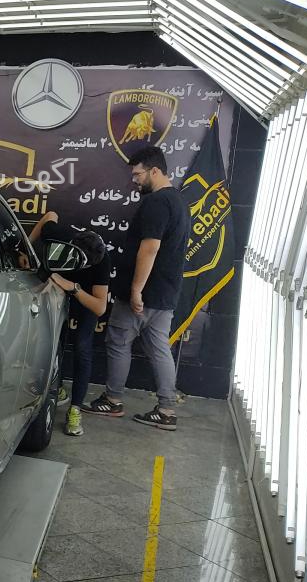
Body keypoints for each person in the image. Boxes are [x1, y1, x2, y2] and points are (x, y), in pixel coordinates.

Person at [80, 145, 189, 430]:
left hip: (143, 293)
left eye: (138, 174)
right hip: (165, 292)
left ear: (155, 171)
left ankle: (113, 399)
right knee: (159, 349)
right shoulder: (178, 201)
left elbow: (150, 248)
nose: (134, 180)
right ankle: (166, 409)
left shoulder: (156, 203)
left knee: (118, 341)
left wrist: (136, 290)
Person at [30, 212, 110, 437]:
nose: (85, 266)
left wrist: (73, 287)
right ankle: (58, 388)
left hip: (81, 295)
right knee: (50, 340)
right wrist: (27, 247)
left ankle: (75, 408)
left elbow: (100, 307)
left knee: (83, 347)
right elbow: (50, 215)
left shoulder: (102, 260)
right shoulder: (61, 235)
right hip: (55, 290)